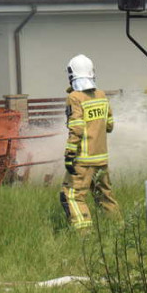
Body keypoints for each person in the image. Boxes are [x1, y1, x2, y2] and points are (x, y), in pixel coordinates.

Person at [59, 54, 119, 231]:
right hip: (101, 158)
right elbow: (109, 125)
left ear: (72, 75)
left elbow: (76, 128)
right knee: (105, 196)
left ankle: (84, 234)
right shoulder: (101, 95)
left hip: (83, 160)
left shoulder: (75, 98)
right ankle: (118, 229)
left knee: (72, 195)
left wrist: (70, 154)